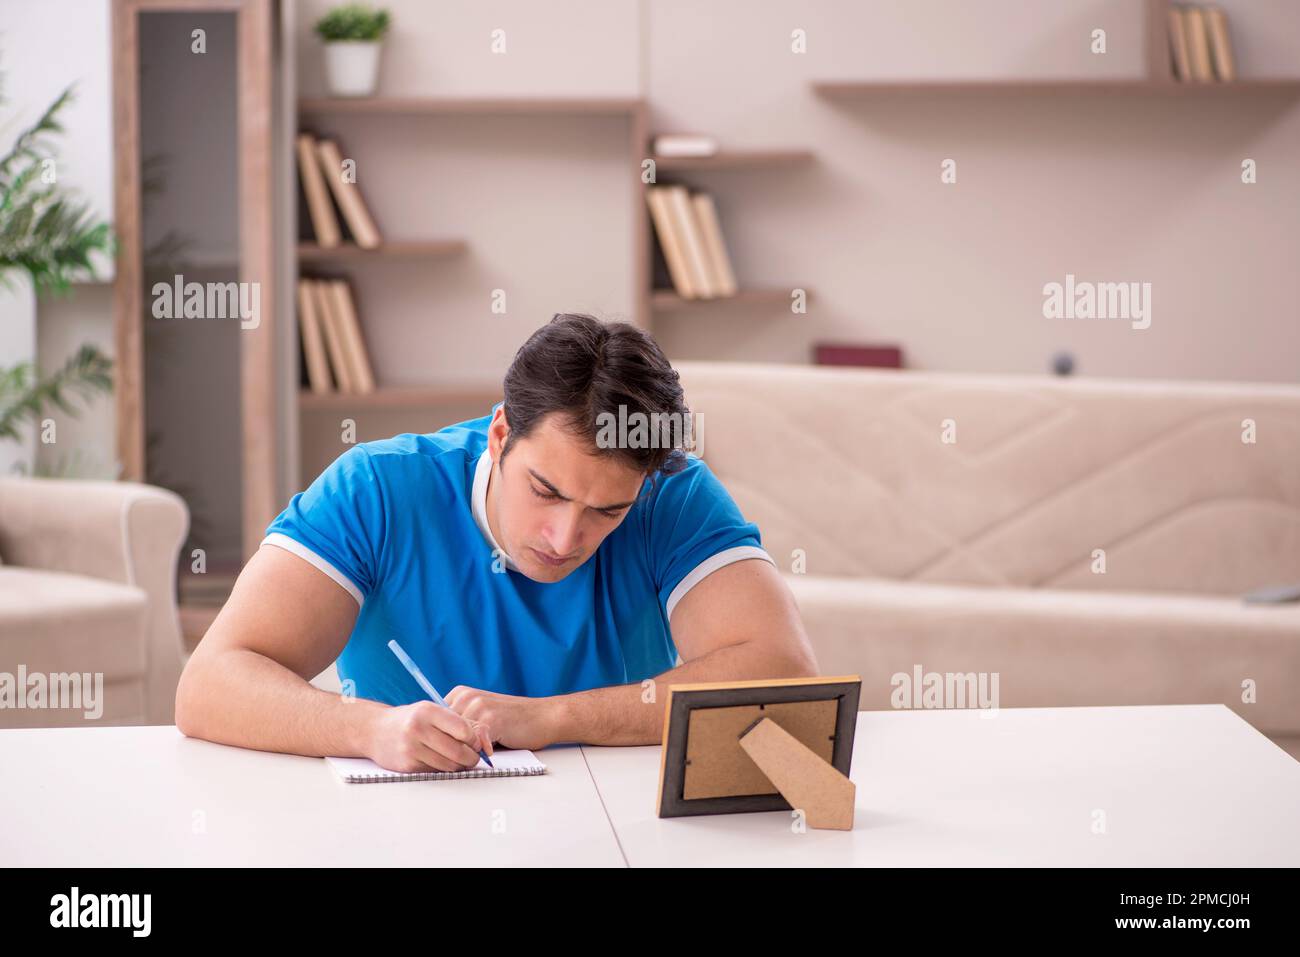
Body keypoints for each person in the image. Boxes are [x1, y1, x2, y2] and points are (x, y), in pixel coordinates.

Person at [176, 313, 818, 771]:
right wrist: (371, 728)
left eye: (607, 510)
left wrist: (553, 717)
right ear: (501, 434)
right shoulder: (376, 488)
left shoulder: (671, 493)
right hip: (412, 822)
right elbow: (209, 684)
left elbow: (784, 674)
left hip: (618, 822)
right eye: (545, 491)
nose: (567, 538)